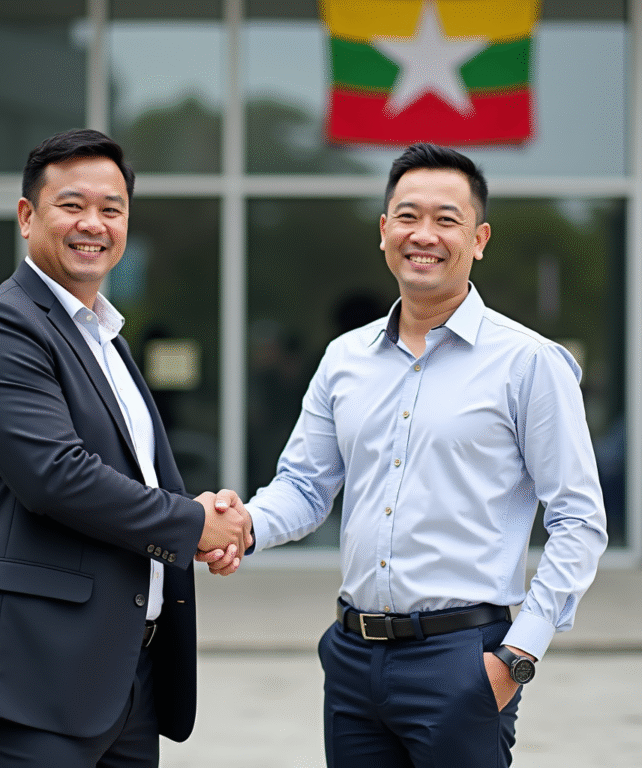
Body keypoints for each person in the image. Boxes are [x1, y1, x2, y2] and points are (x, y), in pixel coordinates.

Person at [202, 143, 608, 766]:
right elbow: (306, 485)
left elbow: (579, 522)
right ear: (385, 230)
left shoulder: (529, 363)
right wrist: (245, 524)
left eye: (447, 219)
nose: (426, 235)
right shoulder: (345, 359)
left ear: (479, 239)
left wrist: (516, 658)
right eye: (408, 216)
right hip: (352, 658)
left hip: (465, 661)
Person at [0, 128, 251, 768]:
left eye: (111, 209)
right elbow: (58, 478)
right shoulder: (1, 325)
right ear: (26, 216)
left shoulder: (107, 337)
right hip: (29, 679)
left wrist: (202, 515)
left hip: (123, 676)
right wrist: (192, 525)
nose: (92, 224)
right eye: (72, 205)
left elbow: (132, 472)